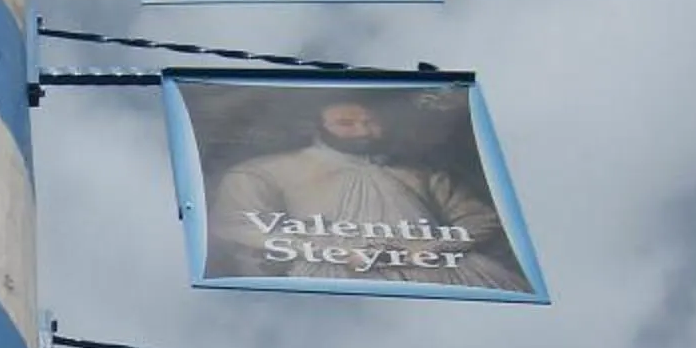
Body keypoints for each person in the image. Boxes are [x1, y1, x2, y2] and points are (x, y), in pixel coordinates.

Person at [202, 91, 530, 290]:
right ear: (316, 128)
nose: (363, 130)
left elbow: (480, 219)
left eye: (370, 122)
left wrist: (432, 247)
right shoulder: (264, 172)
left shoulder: (423, 177)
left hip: (451, 279)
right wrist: (333, 252)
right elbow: (238, 225)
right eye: (346, 123)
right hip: (335, 284)